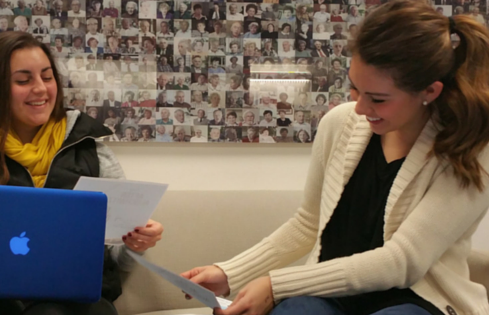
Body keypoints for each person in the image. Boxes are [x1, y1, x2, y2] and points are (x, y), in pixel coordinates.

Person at [181, 1, 489, 314]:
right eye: (355, 89)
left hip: (417, 301)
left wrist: (276, 285)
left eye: (378, 99)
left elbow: (402, 262)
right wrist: (230, 273)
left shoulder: (470, 148)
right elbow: (308, 224)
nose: (360, 108)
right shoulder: (341, 123)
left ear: (430, 92)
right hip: (331, 296)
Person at [0, 32, 165, 314]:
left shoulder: (90, 148)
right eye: (23, 80)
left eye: (47, 76)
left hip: (71, 299)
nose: (40, 88)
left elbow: (116, 257)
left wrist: (135, 243)